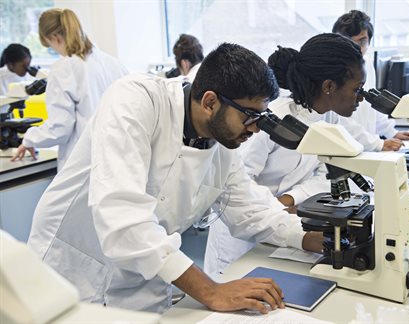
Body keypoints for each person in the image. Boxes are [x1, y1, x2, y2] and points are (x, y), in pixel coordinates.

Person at [27, 43, 323, 314]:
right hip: (74, 270)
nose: (255, 129)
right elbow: (122, 217)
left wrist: (315, 240)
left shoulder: (221, 147)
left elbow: (252, 210)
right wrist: (210, 291)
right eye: (249, 116)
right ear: (210, 102)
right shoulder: (136, 99)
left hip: (142, 283)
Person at [204, 33, 368, 277]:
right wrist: (277, 207)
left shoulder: (328, 117)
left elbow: (325, 172)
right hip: (240, 237)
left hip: (284, 226)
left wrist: (291, 199)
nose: (361, 97)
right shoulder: (271, 119)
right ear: (329, 87)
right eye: (357, 89)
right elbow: (237, 180)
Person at [11, 8, 128, 170]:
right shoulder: (113, 63)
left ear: (55, 37)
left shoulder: (64, 69)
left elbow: (59, 128)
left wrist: (29, 139)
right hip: (119, 158)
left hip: (85, 164)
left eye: (50, 45)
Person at [332, 10, 409, 151]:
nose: (357, 48)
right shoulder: (332, 69)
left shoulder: (366, 62)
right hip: (344, 147)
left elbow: (373, 104)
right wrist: (377, 143)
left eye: (362, 41)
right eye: (350, 41)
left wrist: (391, 132)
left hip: (365, 145)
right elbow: (340, 120)